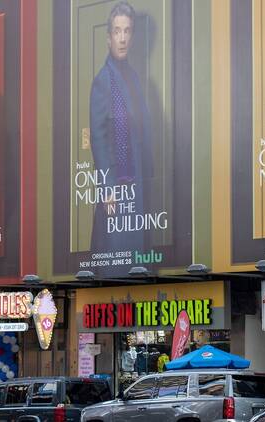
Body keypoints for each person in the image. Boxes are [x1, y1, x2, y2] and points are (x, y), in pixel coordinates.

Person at [89, 1, 153, 271]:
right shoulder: (104, 80)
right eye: (117, 31)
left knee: (135, 262)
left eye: (127, 31)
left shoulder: (133, 77)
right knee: (116, 261)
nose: (123, 37)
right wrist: (107, 188)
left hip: (137, 182)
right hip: (117, 187)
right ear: (108, 37)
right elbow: (99, 138)